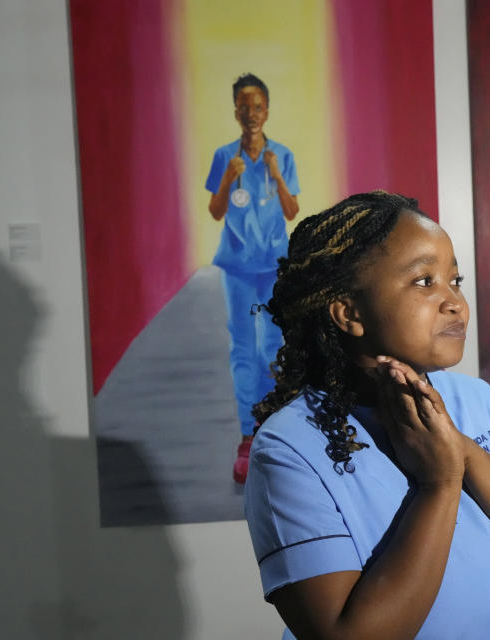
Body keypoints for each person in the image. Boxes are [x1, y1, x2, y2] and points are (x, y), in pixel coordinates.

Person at [244, 191, 490, 639]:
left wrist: (461, 450)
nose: (455, 303)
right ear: (349, 312)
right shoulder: (287, 448)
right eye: (425, 281)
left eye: (455, 280)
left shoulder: (478, 402)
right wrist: (440, 482)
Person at [205, 73, 300, 483]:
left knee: (274, 348)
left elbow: (293, 211)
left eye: (258, 106)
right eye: (244, 107)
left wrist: (277, 176)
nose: (252, 114)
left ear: (267, 110)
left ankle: (272, 431)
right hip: (239, 269)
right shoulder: (225, 156)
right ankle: (248, 436)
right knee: (243, 349)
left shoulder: (283, 155)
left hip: (275, 267)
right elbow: (215, 210)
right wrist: (228, 177)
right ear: (235, 112)